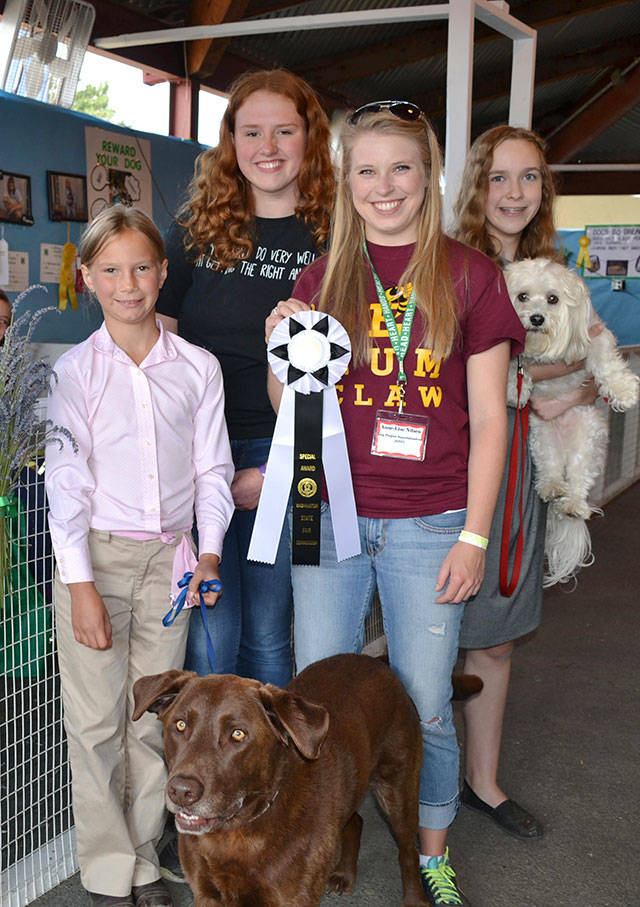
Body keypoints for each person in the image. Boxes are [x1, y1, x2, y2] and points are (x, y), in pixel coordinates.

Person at [266, 101, 525, 906]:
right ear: (346, 181)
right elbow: (289, 411)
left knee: (426, 704)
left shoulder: (469, 275)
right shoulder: (322, 275)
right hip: (333, 514)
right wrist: (282, 349)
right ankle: (319, 836)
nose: (385, 187)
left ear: (429, 176)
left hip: (433, 520)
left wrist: (475, 536)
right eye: (366, 170)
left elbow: (489, 420)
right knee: (314, 702)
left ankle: (434, 856)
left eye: (401, 168)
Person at [45, 205, 234, 907]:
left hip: (172, 565)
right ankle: (107, 869)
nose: (130, 284)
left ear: (162, 272)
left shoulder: (197, 368)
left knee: (156, 718)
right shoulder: (74, 372)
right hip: (96, 559)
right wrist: (81, 586)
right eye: (113, 269)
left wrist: (209, 554)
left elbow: (213, 470)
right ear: (88, 277)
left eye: (143, 267)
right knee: (95, 721)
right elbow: (67, 483)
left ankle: (147, 857)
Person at [156, 69, 334, 686]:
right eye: (251, 131)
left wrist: (281, 468)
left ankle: (274, 783)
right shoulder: (193, 233)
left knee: (266, 638)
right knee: (209, 642)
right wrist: (187, 460)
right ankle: (211, 781)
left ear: (310, 140)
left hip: (282, 452)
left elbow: (344, 376)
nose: (269, 147)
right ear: (229, 141)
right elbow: (159, 352)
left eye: (285, 131)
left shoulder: (337, 239)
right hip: (197, 455)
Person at [453, 125, 598, 839]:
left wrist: (572, 391)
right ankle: (407, 776)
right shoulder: (446, 264)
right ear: (478, 185)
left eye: (529, 178)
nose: (514, 193)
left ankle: (482, 779)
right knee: (419, 634)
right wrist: (533, 378)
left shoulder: (556, 271)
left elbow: (583, 363)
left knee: (496, 639)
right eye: (500, 178)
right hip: (449, 467)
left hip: (520, 473)